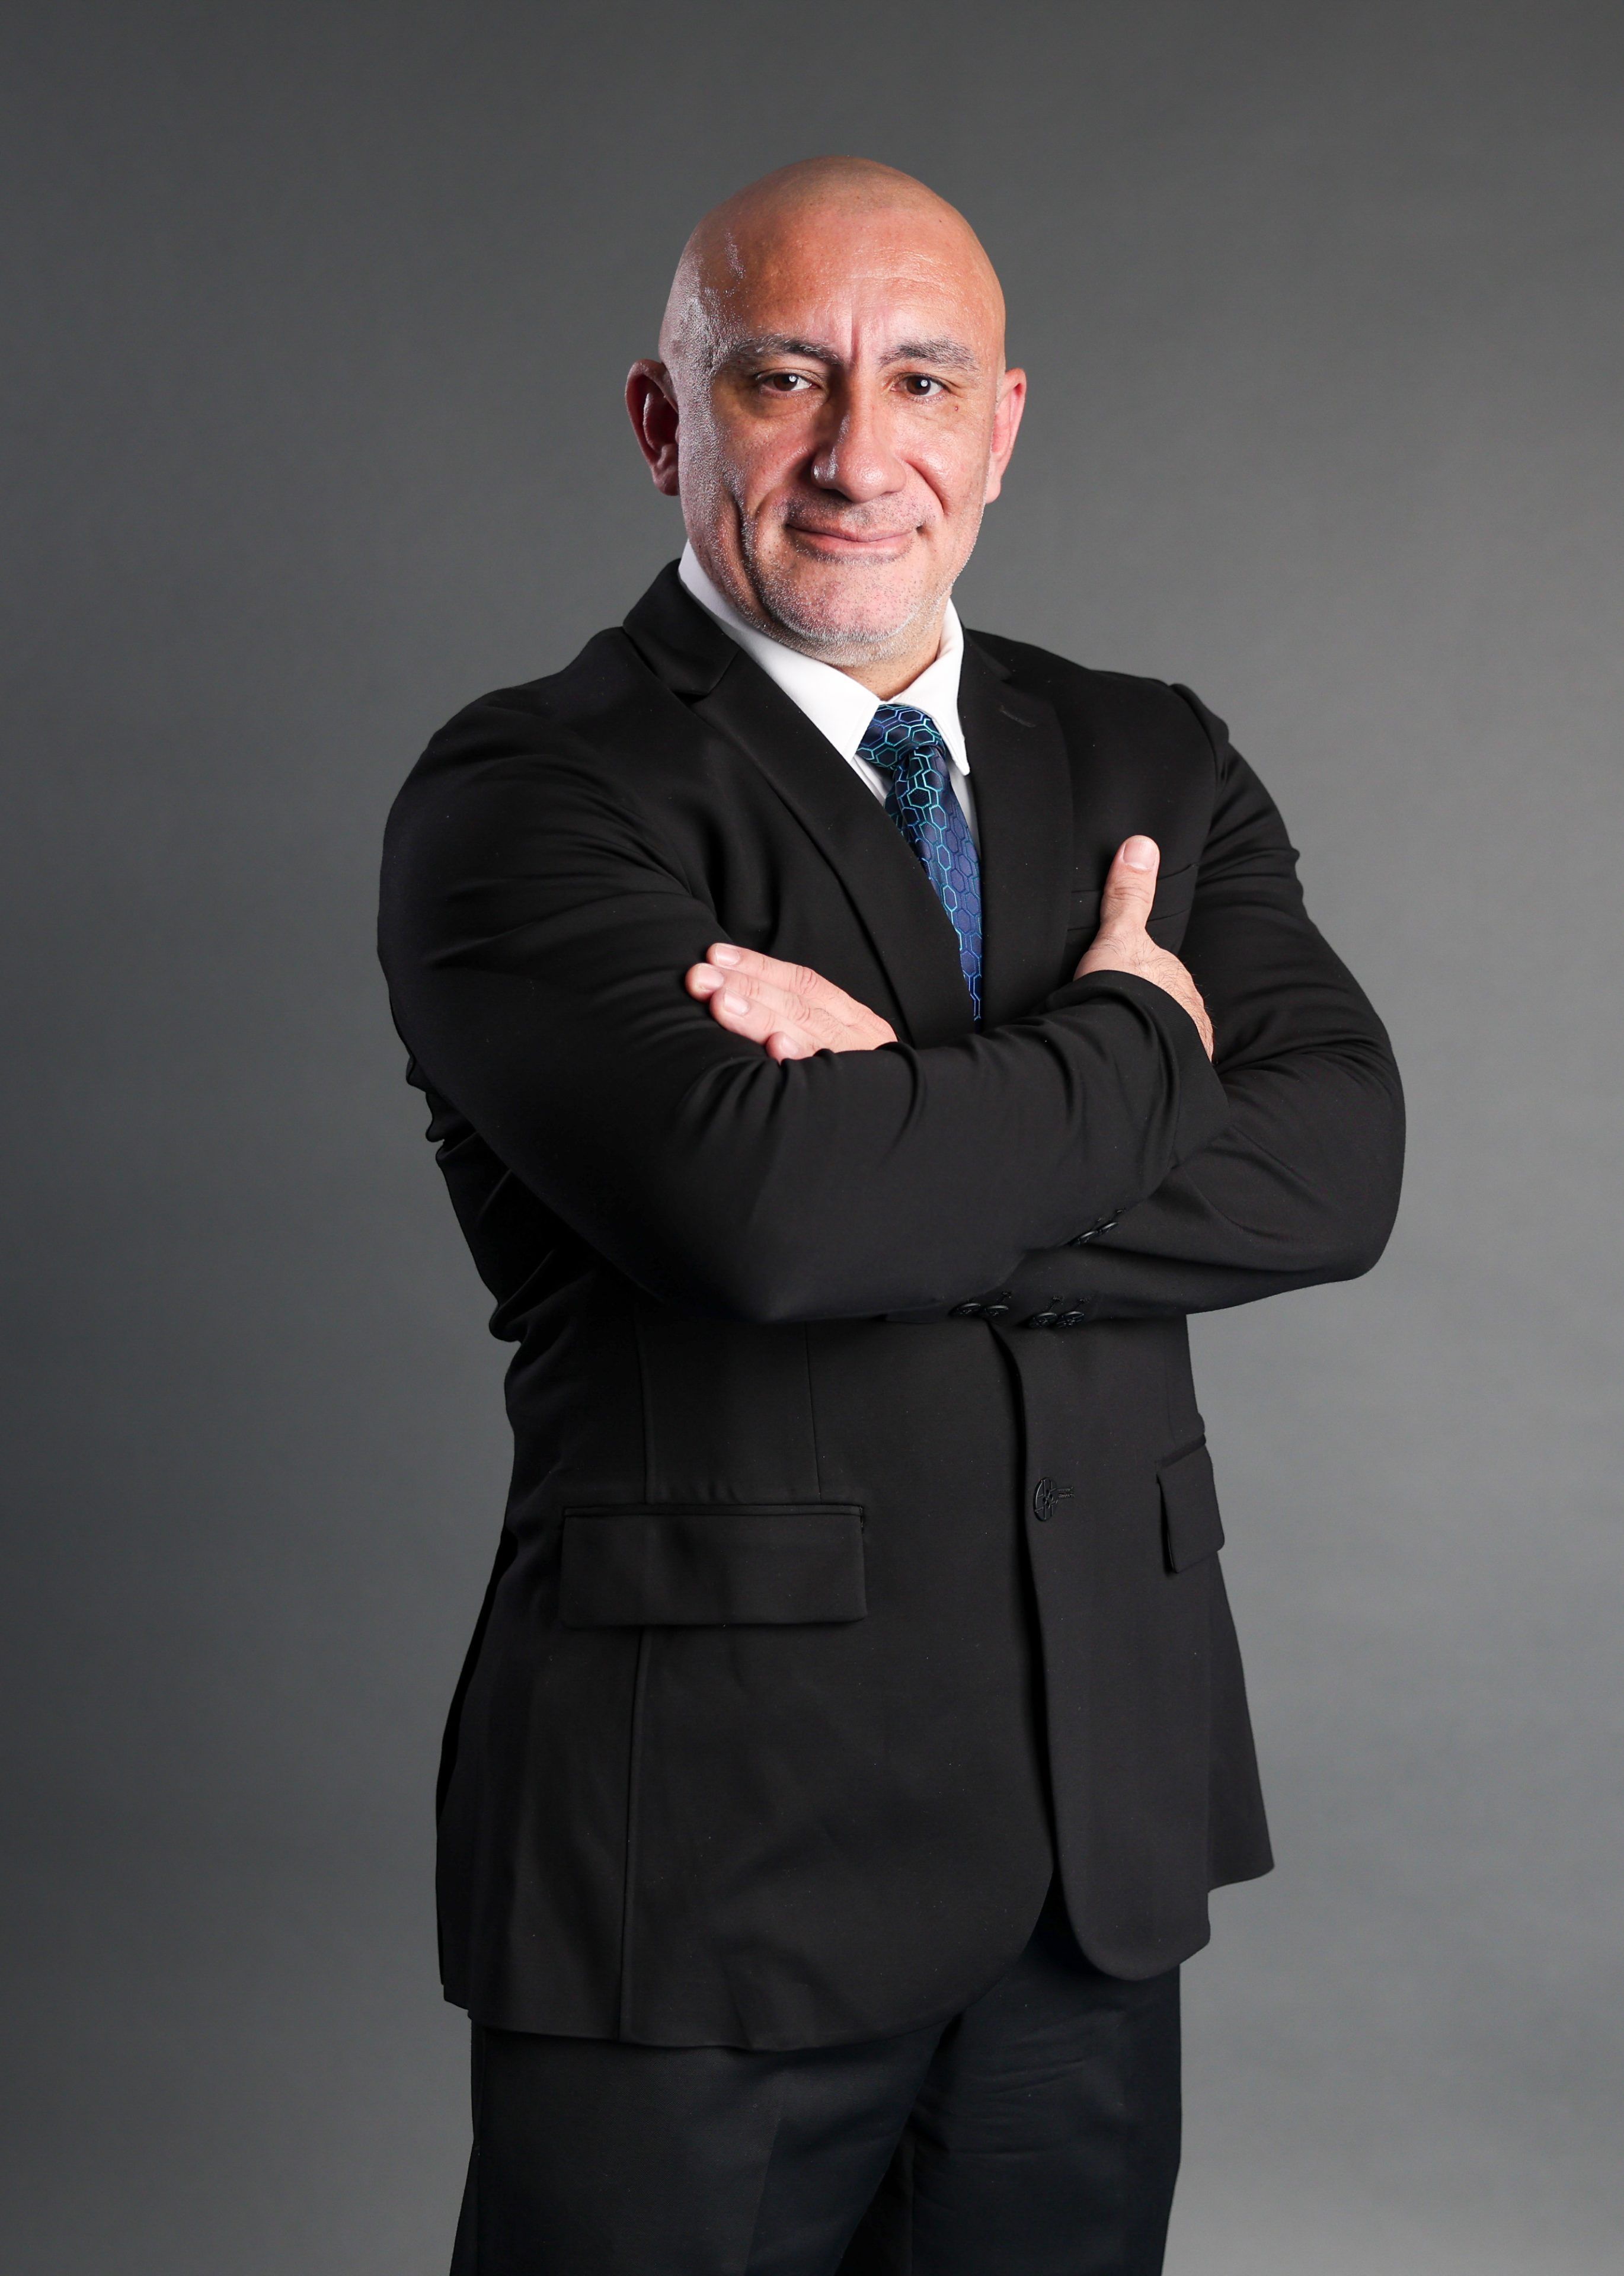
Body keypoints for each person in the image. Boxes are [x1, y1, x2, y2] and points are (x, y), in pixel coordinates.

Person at [378, 155, 1404, 2276]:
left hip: (1085, 1865)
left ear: (1001, 426)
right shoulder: (527, 797)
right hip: (704, 1877)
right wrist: (1124, 1050)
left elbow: (1339, 1162)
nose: (862, 455)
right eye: (783, 379)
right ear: (669, 422)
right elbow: (765, 1223)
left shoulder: (1149, 758)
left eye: (922, 382)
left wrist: (899, 1130)